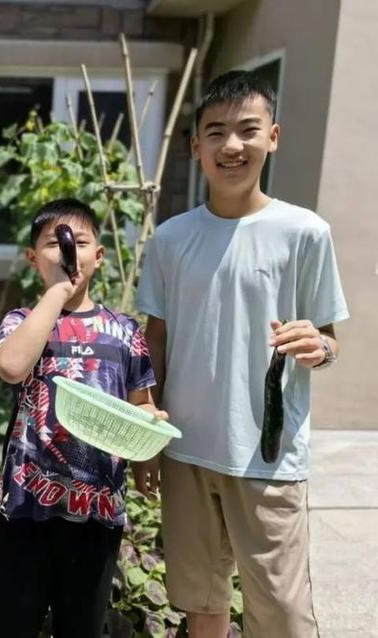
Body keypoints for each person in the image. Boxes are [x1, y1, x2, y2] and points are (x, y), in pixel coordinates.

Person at [135, 70, 349, 637]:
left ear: (273, 137)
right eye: (216, 132)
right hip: (186, 451)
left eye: (248, 130)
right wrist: (147, 440)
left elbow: (329, 341)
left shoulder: (305, 233)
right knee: (201, 603)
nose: (232, 145)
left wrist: (317, 346)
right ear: (196, 146)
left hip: (268, 457)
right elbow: (155, 340)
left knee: (280, 613)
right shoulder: (172, 239)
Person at [0, 198, 165, 638]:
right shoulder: (22, 320)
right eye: (55, 243)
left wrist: (149, 435)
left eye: (80, 242)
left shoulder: (125, 332)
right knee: (12, 625)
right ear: (34, 260)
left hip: (96, 511)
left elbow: (140, 403)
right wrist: (58, 293)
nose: (69, 252)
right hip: (26, 509)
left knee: (81, 626)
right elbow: (11, 366)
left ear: (99, 256)